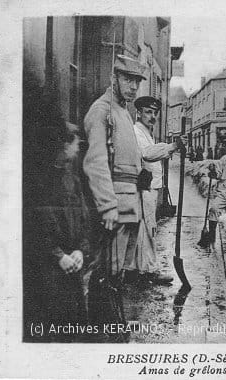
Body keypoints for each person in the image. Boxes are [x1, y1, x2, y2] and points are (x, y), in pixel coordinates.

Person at [23, 87, 92, 341]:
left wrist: (80, 252)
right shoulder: (38, 182)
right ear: (63, 145)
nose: (76, 151)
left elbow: (83, 222)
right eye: (74, 145)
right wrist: (58, 256)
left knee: (74, 327)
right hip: (48, 272)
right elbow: (34, 227)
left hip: (72, 267)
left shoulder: (73, 180)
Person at [82, 54, 147, 280]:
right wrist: (107, 205)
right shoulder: (102, 111)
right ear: (113, 78)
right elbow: (96, 162)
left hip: (131, 204)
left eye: (137, 81)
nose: (134, 86)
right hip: (114, 208)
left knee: (119, 273)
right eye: (128, 79)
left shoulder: (125, 114)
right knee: (107, 274)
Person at [128, 96, 185, 286]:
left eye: (155, 113)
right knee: (147, 228)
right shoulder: (137, 131)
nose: (152, 116)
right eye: (148, 112)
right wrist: (173, 146)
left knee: (145, 228)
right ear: (139, 113)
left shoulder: (147, 133)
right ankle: (148, 270)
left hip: (151, 186)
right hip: (144, 187)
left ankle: (136, 269)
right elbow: (148, 153)